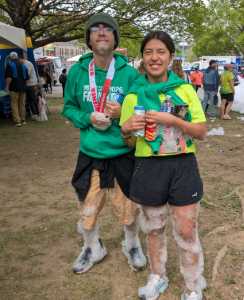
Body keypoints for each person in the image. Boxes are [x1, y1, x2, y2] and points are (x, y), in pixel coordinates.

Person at [120, 30, 207, 300]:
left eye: (161, 52)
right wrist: (125, 130)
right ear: (143, 58)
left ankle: (193, 287)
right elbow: (130, 145)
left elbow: (201, 131)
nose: (154, 57)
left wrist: (172, 121)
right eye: (148, 52)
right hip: (148, 168)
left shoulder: (184, 89)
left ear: (170, 57)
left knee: (185, 232)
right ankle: (158, 276)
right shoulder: (133, 96)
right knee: (154, 228)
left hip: (182, 167)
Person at [61, 13, 146, 275]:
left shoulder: (130, 74)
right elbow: (68, 108)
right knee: (87, 207)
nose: (101, 32)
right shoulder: (77, 71)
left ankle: (131, 244)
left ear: (114, 38)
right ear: (88, 38)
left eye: (107, 29)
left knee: (129, 207)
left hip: (123, 151)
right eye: (95, 29)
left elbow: (142, 114)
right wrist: (87, 117)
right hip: (90, 152)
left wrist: (124, 114)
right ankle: (91, 247)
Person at [5, 52, 29, 127]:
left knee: (14, 104)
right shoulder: (23, 66)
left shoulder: (10, 65)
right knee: (22, 104)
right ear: (17, 57)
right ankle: (23, 119)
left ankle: (17, 121)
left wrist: (7, 86)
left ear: (11, 57)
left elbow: (9, 77)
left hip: (14, 88)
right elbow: (27, 79)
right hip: (23, 88)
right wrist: (24, 85)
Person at [18, 55, 40, 121]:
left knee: (34, 99)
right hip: (27, 85)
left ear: (20, 59)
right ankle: (34, 114)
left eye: (18, 60)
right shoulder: (22, 65)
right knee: (29, 100)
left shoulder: (28, 64)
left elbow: (27, 74)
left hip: (32, 84)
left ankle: (38, 113)